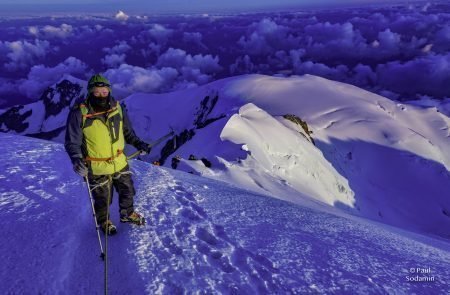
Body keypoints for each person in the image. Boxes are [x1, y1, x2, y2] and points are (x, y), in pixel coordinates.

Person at [65, 74, 150, 235]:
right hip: (96, 166)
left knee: (128, 190)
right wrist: (77, 160)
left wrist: (139, 144)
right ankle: (104, 222)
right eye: (96, 92)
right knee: (103, 198)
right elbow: (72, 141)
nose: (101, 95)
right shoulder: (79, 113)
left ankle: (127, 214)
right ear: (90, 92)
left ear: (109, 91)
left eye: (104, 92)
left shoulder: (117, 108)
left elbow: (127, 132)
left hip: (119, 161)